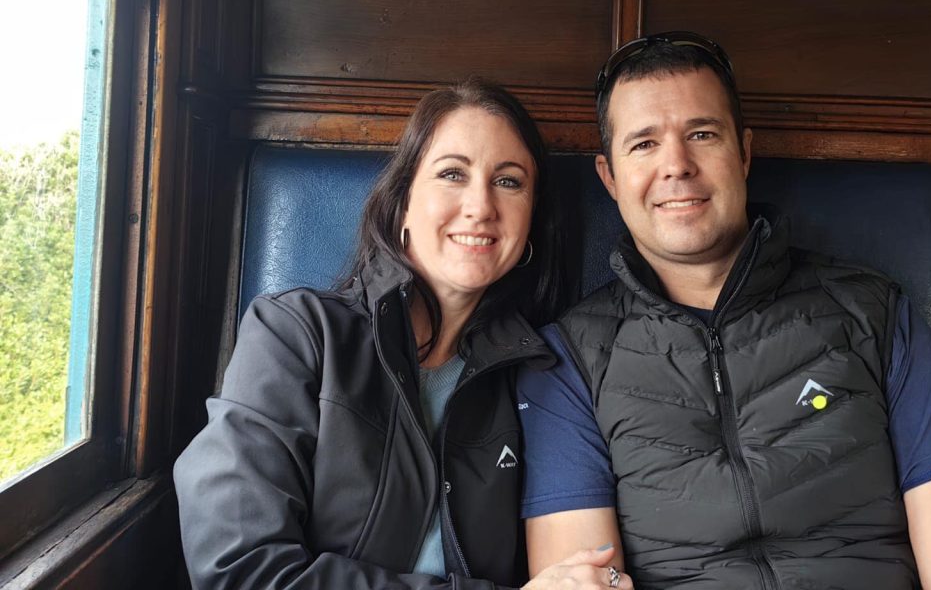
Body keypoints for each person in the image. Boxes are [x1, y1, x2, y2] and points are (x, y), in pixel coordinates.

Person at [517, 34, 931, 589]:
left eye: (702, 134)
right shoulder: (569, 361)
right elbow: (582, 576)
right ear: (610, 177)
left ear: (744, 153)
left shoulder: (873, 313)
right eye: (644, 144)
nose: (676, 165)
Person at [174, 79, 633, 590]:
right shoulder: (295, 333)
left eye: (508, 181)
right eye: (453, 174)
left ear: (530, 220)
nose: (481, 206)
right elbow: (240, 570)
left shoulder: (542, 374)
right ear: (404, 204)